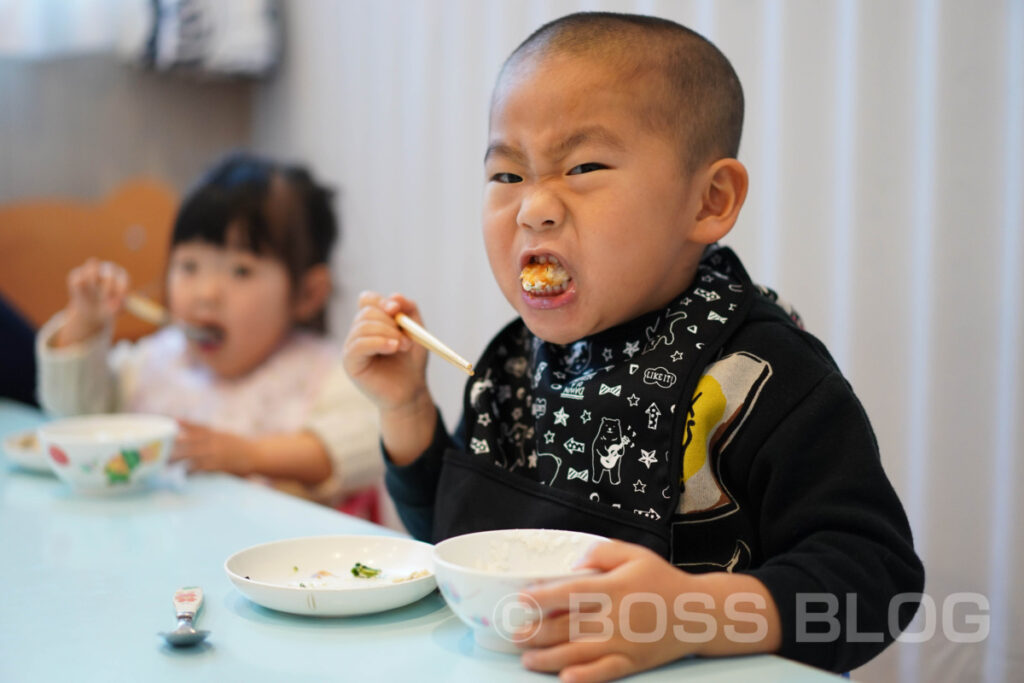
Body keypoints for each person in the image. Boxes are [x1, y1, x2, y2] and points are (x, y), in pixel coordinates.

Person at [343, 11, 923, 681]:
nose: (534, 207)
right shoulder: (513, 362)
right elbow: (459, 540)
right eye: (507, 176)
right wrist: (406, 407)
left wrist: (689, 613)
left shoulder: (761, 375)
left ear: (709, 200)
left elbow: (878, 586)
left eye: (583, 166)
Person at [37, 152, 382, 510]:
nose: (206, 293)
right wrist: (85, 325)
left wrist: (250, 455)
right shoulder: (153, 363)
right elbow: (76, 419)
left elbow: (370, 440)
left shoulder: (323, 372)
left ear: (307, 294)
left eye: (240, 272)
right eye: (189, 266)